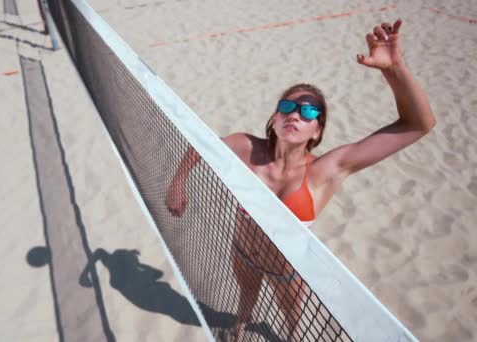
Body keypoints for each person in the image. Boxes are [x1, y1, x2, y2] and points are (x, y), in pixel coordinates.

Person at [165, 19, 436, 341]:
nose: (295, 114)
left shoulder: (326, 170)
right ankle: (238, 328)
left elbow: (418, 124)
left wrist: (394, 68)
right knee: (245, 297)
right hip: (243, 252)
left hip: (287, 270)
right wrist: (178, 181)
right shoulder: (245, 147)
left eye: (308, 112)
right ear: (275, 118)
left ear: (318, 129)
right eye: (287, 106)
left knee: (294, 318)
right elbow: (200, 145)